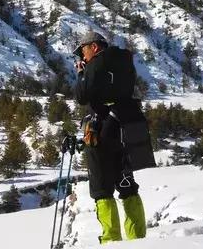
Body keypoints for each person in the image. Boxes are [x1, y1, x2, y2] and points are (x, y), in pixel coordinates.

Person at [73, 29, 147, 243]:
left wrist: (81, 74)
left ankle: (111, 240)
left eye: (83, 51)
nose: (82, 57)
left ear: (94, 47)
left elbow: (81, 96)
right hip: (126, 128)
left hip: (103, 130)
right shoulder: (125, 62)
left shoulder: (96, 63)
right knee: (127, 185)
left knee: (101, 188)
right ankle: (138, 239)